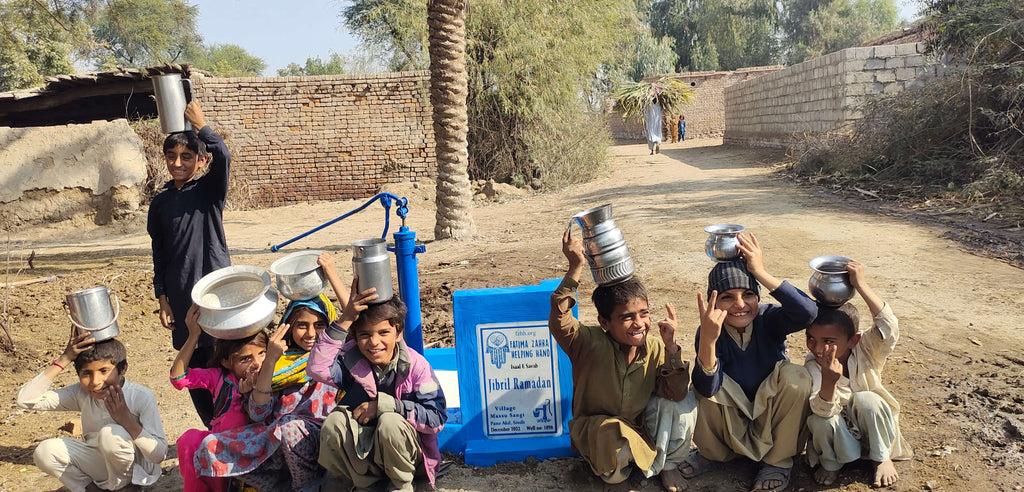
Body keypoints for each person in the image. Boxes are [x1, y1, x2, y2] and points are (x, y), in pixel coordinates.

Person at [551, 228, 695, 492]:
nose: (639, 324)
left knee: (683, 402)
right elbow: (559, 319)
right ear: (604, 322)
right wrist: (575, 267)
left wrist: (671, 347)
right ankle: (616, 478)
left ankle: (668, 465)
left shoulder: (653, 347)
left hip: (638, 430)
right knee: (612, 431)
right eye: (627, 317)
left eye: (644, 313)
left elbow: (674, 393)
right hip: (598, 435)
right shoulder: (588, 342)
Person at [195, 253, 350, 491]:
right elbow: (259, 414)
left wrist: (331, 274)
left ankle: (306, 486)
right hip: (275, 441)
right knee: (211, 445)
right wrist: (270, 362)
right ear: (289, 326)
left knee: (289, 426)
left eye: (319, 325)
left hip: (322, 441)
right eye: (301, 325)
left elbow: (357, 320)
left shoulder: (335, 355)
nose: (310, 334)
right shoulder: (277, 361)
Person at [687, 233, 818, 492]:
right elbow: (707, 388)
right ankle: (713, 456)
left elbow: (808, 312)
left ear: (758, 296)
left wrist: (759, 272)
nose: (739, 305)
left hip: (771, 413)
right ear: (714, 301)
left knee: (797, 377)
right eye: (727, 297)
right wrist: (709, 342)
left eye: (748, 294)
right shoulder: (710, 330)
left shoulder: (768, 319)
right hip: (731, 418)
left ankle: (777, 462)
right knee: (698, 390)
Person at [308, 280, 447, 492]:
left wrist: (389, 406)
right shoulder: (351, 361)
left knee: (390, 421)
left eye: (383, 333)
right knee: (335, 422)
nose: (374, 343)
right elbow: (317, 368)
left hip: (408, 461)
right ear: (354, 337)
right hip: (365, 461)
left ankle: (400, 488)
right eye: (365, 335)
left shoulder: (416, 367)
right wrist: (346, 319)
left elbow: (436, 419)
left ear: (398, 333)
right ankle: (354, 486)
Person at [148, 99, 232, 428]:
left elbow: (222, 155)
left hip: (218, 296)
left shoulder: (210, 191)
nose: (178, 163)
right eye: (172, 157)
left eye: (186, 157)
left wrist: (201, 125)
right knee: (194, 368)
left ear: (200, 160)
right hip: (182, 299)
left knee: (225, 364)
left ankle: (235, 428)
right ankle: (214, 430)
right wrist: (163, 299)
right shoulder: (161, 203)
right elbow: (160, 254)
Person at [804, 260, 912, 488]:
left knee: (867, 398)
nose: (817, 348)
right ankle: (832, 463)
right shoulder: (813, 364)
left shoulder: (866, 350)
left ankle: (881, 458)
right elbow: (820, 410)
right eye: (811, 339)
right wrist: (829, 383)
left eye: (829, 341)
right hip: (842, 442)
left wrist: (860, 284)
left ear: (853, 340)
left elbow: (888, 327)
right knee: (818, 419)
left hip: (876, 433)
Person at [17, 333, 167, 492]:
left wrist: (127, 420)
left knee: (111, 433)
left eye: (104, 371)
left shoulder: (140, 396)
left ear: (123, 368)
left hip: (137, 470)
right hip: (101, 465)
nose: (95, 382)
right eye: (86, 373)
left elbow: (159, 455)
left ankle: (127, 488)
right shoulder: (80, 393)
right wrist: (65, 358)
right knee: (45, 451)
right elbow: (25, 400)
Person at [171, 307, 267, 492]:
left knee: (233, 421)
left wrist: (251, 396)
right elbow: (178, 378)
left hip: (257, 445)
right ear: (226, 362)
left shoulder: (274, 375)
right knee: (189, 440)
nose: (257, 363)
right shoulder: (219, 377)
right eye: (246, 358)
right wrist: (193, 337)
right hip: (218, 447)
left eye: (262, 353)